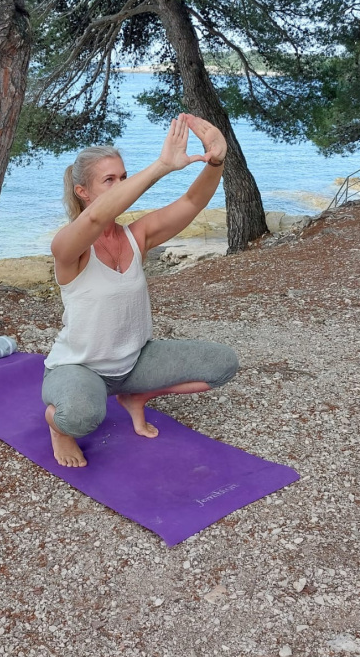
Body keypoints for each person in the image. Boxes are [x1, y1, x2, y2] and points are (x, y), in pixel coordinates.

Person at [42, 113, 239, 467]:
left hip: (135, 362)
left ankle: (136, 397)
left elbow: (192, 203)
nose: (121, 185)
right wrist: (162, 166)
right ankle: (58, 428)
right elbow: (95, 219)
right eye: (109, 180)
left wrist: (216, 161)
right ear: (83, 192)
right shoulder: (68, 246)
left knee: (223, 365)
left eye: (123, 177)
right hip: (81, 367)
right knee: (80, 418)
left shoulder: (137, 236)